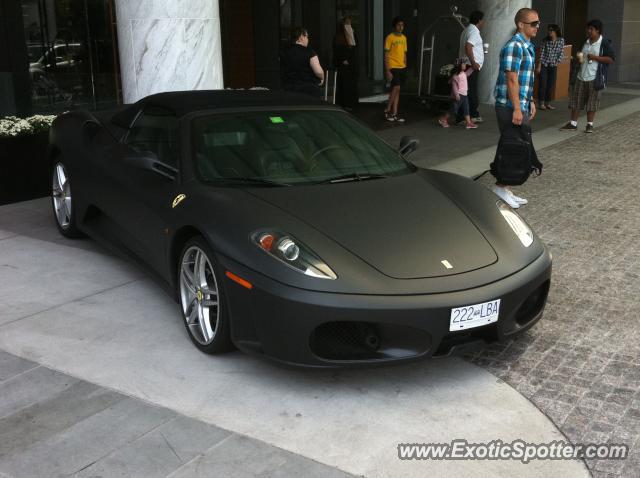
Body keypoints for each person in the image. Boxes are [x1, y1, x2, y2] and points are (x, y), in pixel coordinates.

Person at [492, 8, 540, 208]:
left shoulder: (527, 46)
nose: (537, 27)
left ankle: (505, 188)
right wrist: (518, 109)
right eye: (533, 23)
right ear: (521, 24)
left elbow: (524, 79)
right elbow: (512, 79)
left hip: (519, 104)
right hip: (510, 107)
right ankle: (500, 187)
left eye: (538, 23)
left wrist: (530, 101)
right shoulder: (514, 46)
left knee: (517, 146)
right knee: (514, 148)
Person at [560, 19, 615, 133]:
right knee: (576, 100)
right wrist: (578, 57)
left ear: (598, 31)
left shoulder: (604, 43)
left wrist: (596, 58)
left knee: (592, 102)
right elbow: (581, 54)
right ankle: (573, 124)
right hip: (581, 76)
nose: (589, 31)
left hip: (595, 78)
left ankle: (589, 125)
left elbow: (610, 59)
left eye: (591, 29)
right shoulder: (585, 41)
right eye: (588, 28)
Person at [280, 27, 324, 97]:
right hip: (309, 90)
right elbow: (318, 72)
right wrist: (322, 77)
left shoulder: (284, 52)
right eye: (306, 37)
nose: (307, 39)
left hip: (289, 89)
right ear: (301, 37)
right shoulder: (309, 52)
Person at [458, 10, 485, 123]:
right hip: (470, 66)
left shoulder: (466, 30)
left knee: (465, 91)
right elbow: (468, 46)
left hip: (465, 64)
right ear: (479, 20)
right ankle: (472, 114)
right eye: (483, 20)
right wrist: (474, 62)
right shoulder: (474, 31)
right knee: (471, 91)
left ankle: (462, 116)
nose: (484, 22)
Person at [438, 61, 477, 129]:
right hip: (459, 95)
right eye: (463, 64)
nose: (465, 65)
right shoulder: (456, 76)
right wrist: (457, 95)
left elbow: (468, 73)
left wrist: (473, 67)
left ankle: (468, 123)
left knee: (466, 109)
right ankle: (443, 119)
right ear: (459, 66)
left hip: (464, 94)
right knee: (453, 110)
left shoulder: (463, 73)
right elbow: (454, 87)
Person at [535, 24, 565, 110]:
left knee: (550, 85)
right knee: (543, 84)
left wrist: (557, 62)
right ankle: (541, 103)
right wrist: (539, 66)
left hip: (553, 65)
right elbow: (541, 54)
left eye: (551, 30)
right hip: (544, 64)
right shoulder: (545, 40)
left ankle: (548, 103)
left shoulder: (561, 40)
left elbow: (561, 52)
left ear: (556, 31)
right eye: (549, 30)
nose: (549, 32)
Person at [384, 17, 407, 123]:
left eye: (402, 25)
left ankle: (395, 113)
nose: (400, 27)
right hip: (393, 66)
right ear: (394, 26)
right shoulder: (390, 37)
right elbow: (386, 54)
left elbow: (404, 52)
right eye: (398, 25)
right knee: (396, 87)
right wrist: (388, 70)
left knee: (398, 90)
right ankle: (387, 110)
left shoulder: (404, 38)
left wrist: (405, 63)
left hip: (401, 66)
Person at [333, 16, 358, 109]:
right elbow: (337, 49)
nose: (348, 25)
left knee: (351, 85)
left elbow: (355, 48)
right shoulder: (339, 35)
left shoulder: (353, 34)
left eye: (349, 23)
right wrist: (343, 59)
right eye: (346, 23)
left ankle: (352, 104)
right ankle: (344, 105)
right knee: (344, 86)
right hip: (343, 66)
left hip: (351, 65)